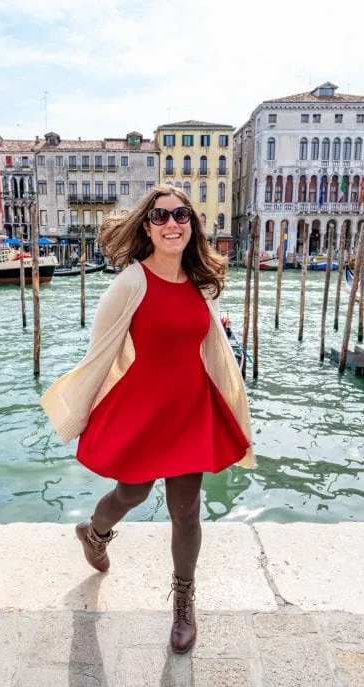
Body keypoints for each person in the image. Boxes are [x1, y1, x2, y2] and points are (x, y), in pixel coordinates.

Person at [39, 186, 254, 653]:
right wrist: (84, 408)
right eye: (161, 217)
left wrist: (233, 402)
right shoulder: (130, 282)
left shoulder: (201, 283)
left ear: (192, 225)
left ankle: (183, 600)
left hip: (190, 408)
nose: (172, 224)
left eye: (181, 215)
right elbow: (101, 354)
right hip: (142, 407)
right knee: (131, 492)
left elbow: (213, 351)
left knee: (187, 511)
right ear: (147, 226)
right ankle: (93, 534)